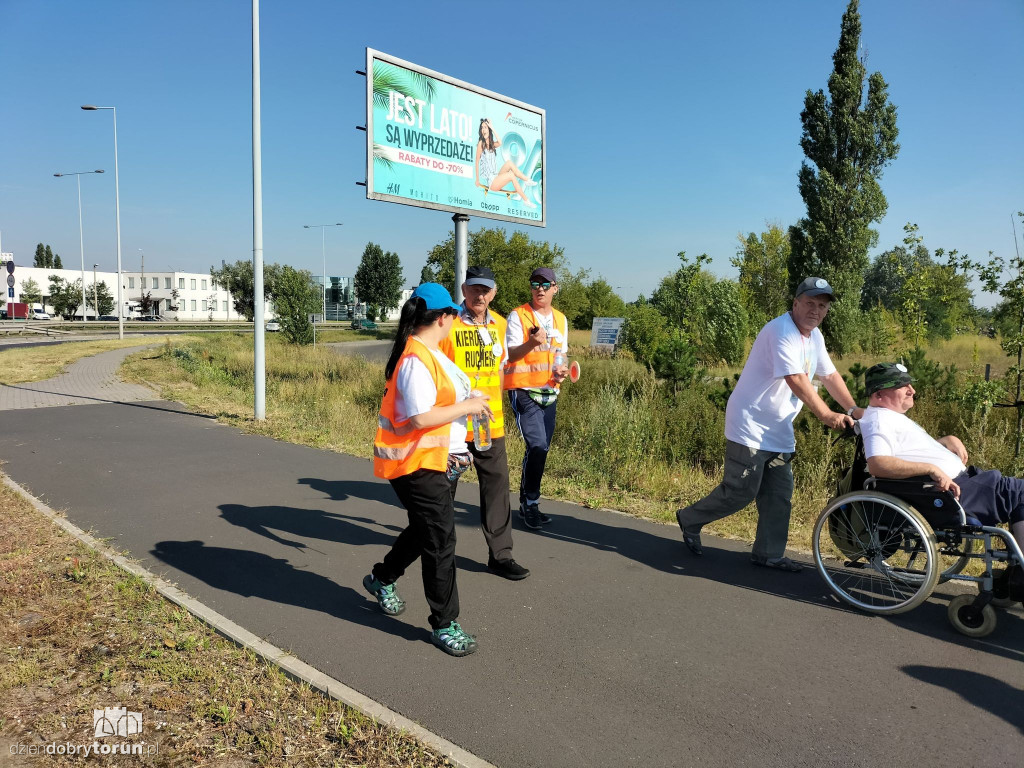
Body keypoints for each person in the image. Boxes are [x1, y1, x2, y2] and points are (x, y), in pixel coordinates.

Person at [676, 277, 861, 571]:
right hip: (749, 424)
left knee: (779, 494)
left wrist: (853, 408)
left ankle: (768, 554)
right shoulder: (781, 331)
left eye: (822, 306)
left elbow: (829, 375)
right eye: (810, 303)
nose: (816, 310)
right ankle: (690, 518)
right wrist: (827, 415)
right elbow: (796, 378)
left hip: (778, 428)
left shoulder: (815, 337)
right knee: (741, 491)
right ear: (796, 303)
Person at [363, 282, 493, 657]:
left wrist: (469, 405)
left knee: (424, 532)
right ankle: (444, 623)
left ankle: (381, 579)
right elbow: (420, 418)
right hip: (417, 465)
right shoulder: (415, 360)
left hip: (440, 461)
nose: (457, 319)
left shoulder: (431, 353)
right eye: (454, 314)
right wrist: (467, 407)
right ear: (444, 317)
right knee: (440, 541)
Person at [858, 362, 1024, 596]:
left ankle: (1018, 571)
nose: (912, 390)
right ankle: (1020, 573)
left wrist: (945, 440)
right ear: (879, 394)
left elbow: (909, 451)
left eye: (910, 385)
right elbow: (878, 463)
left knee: (1019, 494)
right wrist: (931, 468)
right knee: (1020, 494)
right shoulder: (878, 420)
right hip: (953, 491)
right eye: (902, 386)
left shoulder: (890, 417)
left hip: (965, 481)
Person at [439, 265, 530, 580]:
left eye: (486, 289)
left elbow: (504, 367)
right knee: (443, 489)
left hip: (489, 424)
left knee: (497, 487)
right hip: (453, 424)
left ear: (493, 293)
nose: (480, 294)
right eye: (474, 288)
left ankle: (501, 556)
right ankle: (439, 550)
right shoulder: (447, 323)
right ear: (464, 290)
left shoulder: (502, 325)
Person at [504, 267, 570, 529]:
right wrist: (531, 343)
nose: (539, 289)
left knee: (539, 450)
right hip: (523, 391)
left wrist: (562, 369)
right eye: (534, 284)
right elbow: (510, 354)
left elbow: (560, 353)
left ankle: (527, 502)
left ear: (555, 288)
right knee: (538, 446)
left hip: (550, 392)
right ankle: (530, 503)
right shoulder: (518, 316)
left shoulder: (561, 319)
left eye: (545, 284)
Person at [475, 118, 537, 208]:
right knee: (511, 175)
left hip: (496, 176)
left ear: (489, 130)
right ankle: (526, 200)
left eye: (485, 127)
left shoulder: (492, 144)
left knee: (509, 163)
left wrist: (492, 127)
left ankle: (527, 180)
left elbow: (500, 142)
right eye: (482, 128)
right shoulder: (481, 144)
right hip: (492, 182)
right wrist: (477, 180)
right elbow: (477, 161)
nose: (483, 129)